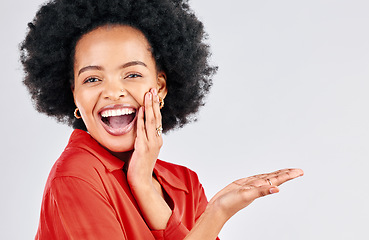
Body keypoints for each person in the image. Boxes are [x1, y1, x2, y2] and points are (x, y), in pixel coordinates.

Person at [21, 0, 304, 239]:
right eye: (92, 78)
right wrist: (216, 214)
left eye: (132, 74)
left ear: (161, 86)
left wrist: (143, 185)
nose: (113, 92)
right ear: (74, 95)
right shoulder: (77, 176)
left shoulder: (185, 183)